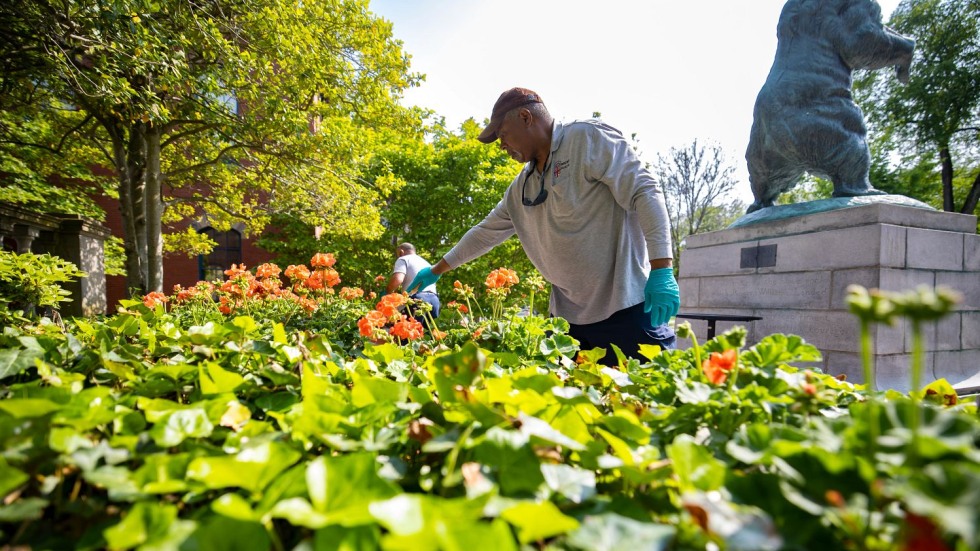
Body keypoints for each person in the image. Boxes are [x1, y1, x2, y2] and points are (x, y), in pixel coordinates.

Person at [408, 87, 679, 364]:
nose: (502, 146)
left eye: (502, 135)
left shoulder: (586, 138)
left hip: (625, 309)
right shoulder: (522, 187)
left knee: (648, 399)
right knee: (571, 404)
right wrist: (438, 269)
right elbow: (484, 233)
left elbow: (644, 191)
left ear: (526, 117)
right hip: (567, 323)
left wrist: (662, 269)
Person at [387, 242, 440, 322]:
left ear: (401, 252)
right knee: (431, 332)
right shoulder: (426, 263)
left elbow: (397, 280)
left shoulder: (403, 259)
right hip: (434, 300)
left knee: (411, 331)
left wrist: (387, 294)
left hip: (416, 299)